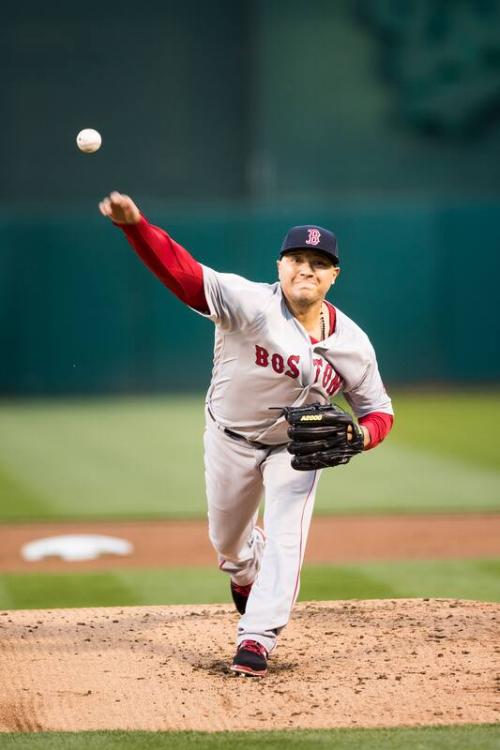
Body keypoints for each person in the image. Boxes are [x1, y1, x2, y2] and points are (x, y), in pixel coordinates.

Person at [99, 191, 394, 678]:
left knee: (285, 539)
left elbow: (379, 410)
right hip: (229, 438)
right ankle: (244, 574)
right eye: (298, 258)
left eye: (319, 263)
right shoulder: (249, 303)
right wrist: (136, 226)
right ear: (280, 264)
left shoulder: (353, 344)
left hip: (295, 452)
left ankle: (257, 637)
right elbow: (185, 275)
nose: (307, 269)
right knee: (229, 544)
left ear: (333, 276)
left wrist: (361, 436)